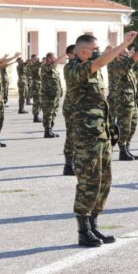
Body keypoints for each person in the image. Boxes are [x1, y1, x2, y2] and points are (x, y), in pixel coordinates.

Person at [70, 31, 138, 247]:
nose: (98, 52)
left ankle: (94, 224)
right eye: (95, 49)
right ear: (83, 51)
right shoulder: (73, 69)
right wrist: (122, 45)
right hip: (86, 137)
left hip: (102, 134)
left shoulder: (96, 69)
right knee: (87, 183)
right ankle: (83, 230)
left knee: (103, 182)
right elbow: (100, 62)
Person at [110, 42, 138, 160]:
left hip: (131, 101)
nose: (127, 56)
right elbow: (130, 61)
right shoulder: (116, 66)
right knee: (124, 127)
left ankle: (127, 148)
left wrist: (136, 96)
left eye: (128, 54)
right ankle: (122, 150)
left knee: (132, 126)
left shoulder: (128, 68)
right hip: (123, 102)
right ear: (118, 56)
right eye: (125, 54)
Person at [40, 51, 66, 138]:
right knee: (48, 113)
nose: (55, 59)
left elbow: (57, 82)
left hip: (55, 95)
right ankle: (47, 131)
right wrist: (65, 53)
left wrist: (60, 90)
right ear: (48, 58)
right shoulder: (46, 67)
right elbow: (55, 63)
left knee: (54, 112)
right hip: (48, 95)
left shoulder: (54, 69)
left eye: (55, 58)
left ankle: (50, 129)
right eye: (53, 58)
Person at [62, 44, 77, 176]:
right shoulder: (70, 66)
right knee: (71, 136)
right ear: (70, 55)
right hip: (72, 107)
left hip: (81, 107)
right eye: (75, 52)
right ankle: (68, 164)